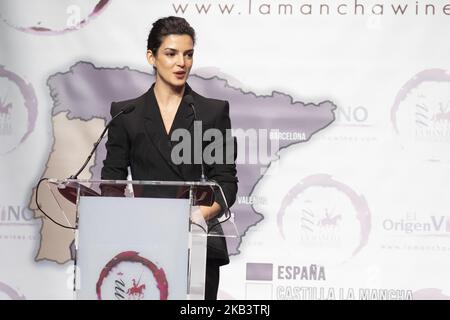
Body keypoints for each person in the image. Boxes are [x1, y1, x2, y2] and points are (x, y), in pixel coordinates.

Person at [100, 16, 238, 300]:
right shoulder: (126, 114)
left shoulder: (211, 112)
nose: (181, 63)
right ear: (151, 56)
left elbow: (225, 183)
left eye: (188, 55)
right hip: (141, 244)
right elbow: (111, 183)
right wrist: (124, 220)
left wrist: (198, 216)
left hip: (196, 243)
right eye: (171, 53)